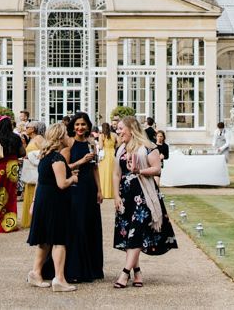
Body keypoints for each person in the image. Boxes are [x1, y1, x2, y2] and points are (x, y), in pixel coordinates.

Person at [113, 116, 177, 288]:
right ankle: (137, 271)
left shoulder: (149, 147)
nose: (118, 131)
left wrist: (139, 170)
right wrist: (116, 196)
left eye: (120, 128)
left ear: (131, 129)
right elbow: (116, 174)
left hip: (144, 196)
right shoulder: (121, 149)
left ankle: (125, 273)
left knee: (137, 233)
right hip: (125, 196)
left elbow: (157, 170)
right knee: (128, 233)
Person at [26, 123, 79, 292]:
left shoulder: (44, 156)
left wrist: (34, 202)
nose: (68, 137)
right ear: (60, 137)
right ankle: (60, 279)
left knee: (45, 240)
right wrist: (73, 179)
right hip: (54, 201)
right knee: (59, 240)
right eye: (65, 134)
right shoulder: (57, 158)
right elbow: (62, 184)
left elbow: (41, 180)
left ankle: (36, 272)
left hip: (43, 199)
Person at [59, 111, 103, 283]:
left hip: (89, 188)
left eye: (83, 124)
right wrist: (80, 162)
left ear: (88, 126)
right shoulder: (68, 145)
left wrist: (99, 190)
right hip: (74, 187)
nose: (80, 127)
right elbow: (63, 167)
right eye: (77, 124)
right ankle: (75, 269)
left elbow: (95, 168)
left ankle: (92, 267)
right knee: (77, 225)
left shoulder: (92, 143)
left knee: (90, 225)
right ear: (73, 126)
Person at [21, 121, 46, 228]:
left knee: (34, 194)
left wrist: (30, 156)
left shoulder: (39, 138)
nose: (26, 128)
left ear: (34, 129)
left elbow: (44, 152)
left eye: (28, 127)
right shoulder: (32, 139)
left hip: (35, 171)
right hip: (30, 170)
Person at [98, 122, 118, 199]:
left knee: (104, 173)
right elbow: (118, 145)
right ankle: (113, 192)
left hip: (105, 155)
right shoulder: (114, 135)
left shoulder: (102, 136)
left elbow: (100, 147)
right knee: (112, 173)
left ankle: (104, 192)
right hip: (113, 154)